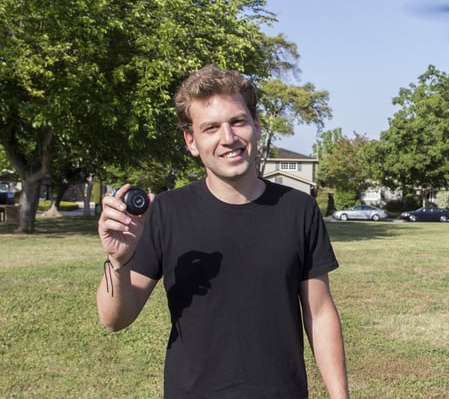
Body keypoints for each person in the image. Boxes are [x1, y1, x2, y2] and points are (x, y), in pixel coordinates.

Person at [96, 65, 349, 398]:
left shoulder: (297, 209)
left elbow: (319, 312)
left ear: (256, 127)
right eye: (211, 128)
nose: (228, 138)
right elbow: (115, 320)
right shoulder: (167, 212)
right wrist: (118, 260)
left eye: (238, 122)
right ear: (191, 141)